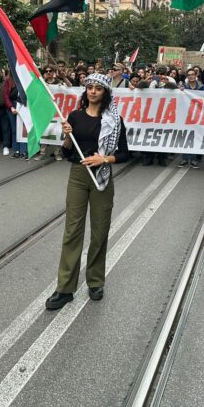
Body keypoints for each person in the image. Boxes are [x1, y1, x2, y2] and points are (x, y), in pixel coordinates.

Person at [46, 73, 129, 311]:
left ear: (105, 93)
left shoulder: (114, 120)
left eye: (98, 88)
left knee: (100, 231)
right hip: (78, 175)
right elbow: (67, 151)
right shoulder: (74, 116)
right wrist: (67, 136)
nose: (93, 91)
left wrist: (103, 158)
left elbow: (124, 153)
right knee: (72, 230)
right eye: (90, 87)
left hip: (101, 176)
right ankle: (64, 288)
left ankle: (95, 282)